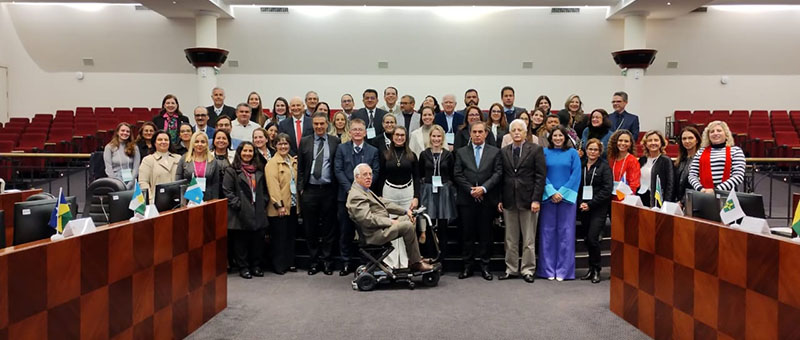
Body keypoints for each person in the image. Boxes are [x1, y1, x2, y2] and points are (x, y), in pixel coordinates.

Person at [346, 164, 434, 273]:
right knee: (407, 226)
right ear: (356, 177)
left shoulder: (364, 190)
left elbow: (384, 203)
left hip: (379, 228)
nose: (369, 177)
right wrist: (390, 222)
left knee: (409, 218)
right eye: (365, 175)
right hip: (374, 234)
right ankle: (416, 263)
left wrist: (406, 211)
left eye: (370, 174)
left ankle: (415, 258)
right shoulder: (356, 195)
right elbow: (367, 219)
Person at [497, 119, 546, 283]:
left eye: (520, 130)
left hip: (529, 201)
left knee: (529, 239)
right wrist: (500, 199)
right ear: (509, 133)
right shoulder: (504, 151)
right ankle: (511, 269)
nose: (517, 132)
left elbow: (540, 176)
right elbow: (500, 177)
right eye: (514, 130)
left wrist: (536, 199)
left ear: (526, 133)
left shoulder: (536, 150)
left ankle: (528, 269)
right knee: (510, 239)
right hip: (509, 201)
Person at [454, 121, 502, 280]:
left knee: (485, 235)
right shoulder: (461, 152)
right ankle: (467, 266)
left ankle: (485, 266)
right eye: (474, 132)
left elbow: (497, 173)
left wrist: (483, 189)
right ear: (470, 133)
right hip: (467, 200)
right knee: (466, 234)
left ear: (486, 133)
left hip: (487, 199)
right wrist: (471, 190)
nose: (477, 135)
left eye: (480, 132)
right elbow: (458, 174)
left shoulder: (495, 152)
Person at [333, 119, 380, 276]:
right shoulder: (341, 148)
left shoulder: (373, 151)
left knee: (365, 231)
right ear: (350, 132)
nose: (358, 132)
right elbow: (338, 170)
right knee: (345, 231)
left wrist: (361, 191)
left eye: (360, 129)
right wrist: (351, 190)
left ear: (365, 132)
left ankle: (365, 263)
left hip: (365, 199)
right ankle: (346, 262)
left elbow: (376, 172)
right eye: (354, 129)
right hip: (345, 197)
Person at [298, 112, 340, 276]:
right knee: (311, 228)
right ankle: (314, 261)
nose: (319, 127)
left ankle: (327, 261)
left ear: (327, 124)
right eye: (316, 124)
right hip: (310, 191)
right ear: (312, 125)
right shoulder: (305, 141)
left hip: (329, 190)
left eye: (322, 124)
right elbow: (301, 168)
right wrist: (301, 187)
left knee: (329, 229)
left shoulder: (334, 141)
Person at [537, 125, 581, 281]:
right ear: (550, 138)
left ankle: (564, 271)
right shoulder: (544, 152)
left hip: (567, 199)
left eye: (560, 136)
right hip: (548, 198)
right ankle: (547, 270)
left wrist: (561, 193)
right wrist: (551, 192)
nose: (557, 138)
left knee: (566, 234)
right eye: (554, 136)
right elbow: (541, 173)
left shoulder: (573, 154)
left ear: (566, 138)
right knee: (547, 233)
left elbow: (576, 175)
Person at [223, 142, 268, 279]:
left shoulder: (259, 170)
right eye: (245, 151)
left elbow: (265, 191)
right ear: (239, 153)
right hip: (239, 212)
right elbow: (227, 191)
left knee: (257, 241)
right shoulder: (232, 170)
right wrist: (239, 205)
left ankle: (256, 266)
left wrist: (263, 202)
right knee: (240, 242)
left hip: (257, 210)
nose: (247, 154)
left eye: (250, 151)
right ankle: (244, 267)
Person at [378, 126, 419, 268]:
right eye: (397, 135)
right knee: (392, 225)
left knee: (408, 226)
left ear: (406, 137)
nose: (400, 137)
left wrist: (416, 197)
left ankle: (408, 260)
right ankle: (392, 261)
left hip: (407, 193)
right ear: (392, 137)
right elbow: (380, 176)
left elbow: (417, 177)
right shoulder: (385, 155)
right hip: (389, 192)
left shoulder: (412, 155)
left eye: (402, 135)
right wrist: (379, 198)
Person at [417, 125, 456, 261]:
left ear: (442, 138)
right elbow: (420, 172)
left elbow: (452, 173)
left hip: (444, 191)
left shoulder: (448, 155)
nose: (436, 139)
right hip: (428, 191)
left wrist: (448, 184)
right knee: (429, 225)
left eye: (439, 136)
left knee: (443, 227)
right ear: (430, 137)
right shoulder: (424, 154)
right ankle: (430, 256)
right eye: (434, 136)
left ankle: (442, 258)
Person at [577, 138, 613, 284]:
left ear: (600, 152)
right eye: (590, 149)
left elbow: (606, 189)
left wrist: (590, 204)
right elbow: (577, 186)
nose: (592, 152)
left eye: (595, 150)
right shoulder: (581, 165)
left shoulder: (604, 167)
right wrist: (581, 203)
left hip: (598, 208)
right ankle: (590, 269)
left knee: (593, 238)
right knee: (587, 239)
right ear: (586, 150)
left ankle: (597, 269)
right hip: (583, 207)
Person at [266, 133, 299, 275]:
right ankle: (279, 266)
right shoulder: (272, 163)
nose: (283, 146)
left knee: (290, 236)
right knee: (279, 238)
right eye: (280, 144)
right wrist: (279, 205)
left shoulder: (293, 161)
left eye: (286, 144)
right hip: (280, 207)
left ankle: (289, 263)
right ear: (275, 146)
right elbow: (273, 186)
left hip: (292, 205)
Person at [688, 120, 746, 193]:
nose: (715, 133)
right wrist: (700, 189)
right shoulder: (700, 152)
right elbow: (692, 175)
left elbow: (738, 176)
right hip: (704, 194)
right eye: (712, 132)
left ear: (726, 134)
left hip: (727, 196)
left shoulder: (736, 151)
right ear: (708, 136)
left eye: (719, 131)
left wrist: (715, 190)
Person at [175, 131, 221, 200]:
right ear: (192, 143)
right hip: (188, 199)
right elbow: (178, 180)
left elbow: (215, 184)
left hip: (207, 198)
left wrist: (214, 201)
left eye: (203, 142)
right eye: (196, 142)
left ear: (207, 144)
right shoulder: (184, 159)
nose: (199, 144)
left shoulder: (212, 160)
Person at [138, 130, 180, 203]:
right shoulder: (148, 160)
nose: (163, 142)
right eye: (160, 140)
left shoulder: (178, 158)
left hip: (177, 200)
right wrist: (150, 200)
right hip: (157, 201)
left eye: (166, 140)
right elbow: (143, 182)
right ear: (154, 143)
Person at [638, 130, 674, 207]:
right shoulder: (642, 160)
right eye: (650, 140)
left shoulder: (666, 160)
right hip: (643, 198)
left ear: (661, 143)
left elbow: (670, 184)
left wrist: (666, 204)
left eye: (656, 140)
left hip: (658, 200)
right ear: (646, 144)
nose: (653, 143)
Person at [103, 122, 140, 189]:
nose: (125, 133)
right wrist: (116, 183)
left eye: (127, 131)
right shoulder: (109, 147)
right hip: (115, 182)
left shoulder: (134, 147)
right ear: (117, 132)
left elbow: (136, 167)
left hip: (131, 181)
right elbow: (108, 168)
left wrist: (130, 183)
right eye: (122, 131)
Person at [607, 129, 640, 199]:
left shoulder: (632, 160)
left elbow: (634, 184)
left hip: (624, 197)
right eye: (620, 140)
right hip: (610, 196)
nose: (623, 143)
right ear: (615, 142)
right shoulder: (611, 159)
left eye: (626, 141)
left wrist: (628, 198)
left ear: (630, 144)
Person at [674, 126, 701, 204]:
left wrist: (683, 201)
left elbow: (697, 185)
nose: (687, 141)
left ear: (697, 140)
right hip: (678, 202)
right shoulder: (680, 160)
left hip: (693, 202)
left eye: (690, 138)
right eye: (684, 139)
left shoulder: (701, 159)